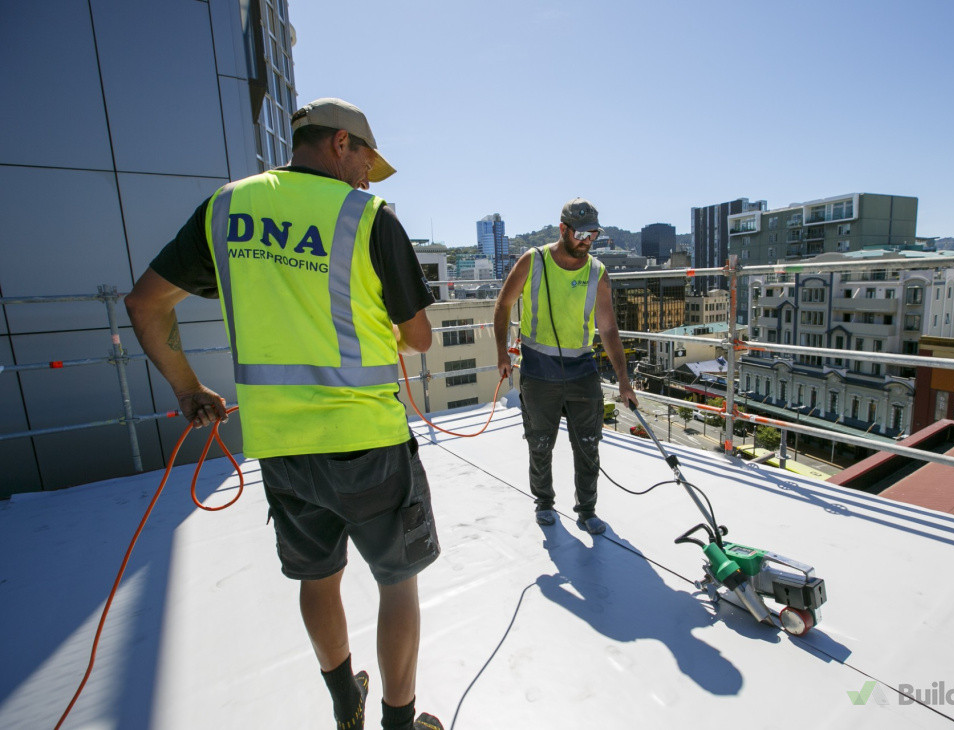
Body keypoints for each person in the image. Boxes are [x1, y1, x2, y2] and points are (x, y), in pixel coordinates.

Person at [125, 98, 443, 730]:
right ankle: (399, 724)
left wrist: (189, 387)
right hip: (369, 441)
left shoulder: (227, 208)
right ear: (342, 144)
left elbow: (145, 303)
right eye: (364, 163)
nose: (364, 178)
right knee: (397, 580)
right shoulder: (368, 216)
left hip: (281, 448)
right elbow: (420, 338)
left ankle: (344, 706)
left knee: (318, 578)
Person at [493, 198, 638, 535]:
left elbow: (609, 329)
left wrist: (624, 380)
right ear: (563, 229)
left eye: (594, 234)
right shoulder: (534, 261)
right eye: (582, 233)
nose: (587, 240)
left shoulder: (597, 272)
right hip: (538, 370)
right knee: (540, 443)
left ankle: (587, 510)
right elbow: (503, 304)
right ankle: (544, 502)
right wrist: (502, 353)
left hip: (581, 370)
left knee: (588, 444)